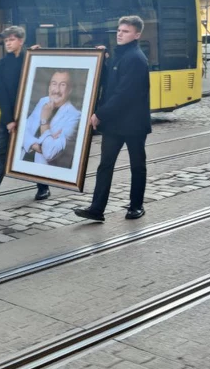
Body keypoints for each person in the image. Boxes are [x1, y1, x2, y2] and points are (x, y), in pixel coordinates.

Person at [75, 16, 151, 222]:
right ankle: (97, 209)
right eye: (119, 30)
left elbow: (124, 93)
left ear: (137, 34)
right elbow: (110, 82)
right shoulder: (119, 55)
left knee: (137, 165)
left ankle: (136, 206)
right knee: (105, 165)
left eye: (125, 31)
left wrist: (100, 114)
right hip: (115, 124)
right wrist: (103, 60)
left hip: (133, 124)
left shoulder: (135, 58)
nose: (120, 33)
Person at [0, 26, 50, 205]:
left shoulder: (30, 59)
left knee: (34, 151)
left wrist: (39, 53)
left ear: (20, 41)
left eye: (12, 40)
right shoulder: (0, 66)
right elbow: (1, 94)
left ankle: (43, 187)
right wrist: (8, 120)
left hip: (30, 116)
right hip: (9, 119)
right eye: (6, 40)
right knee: (0, 154)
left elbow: (45, 75)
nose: (8, 43)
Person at [19, 69, 82, 168]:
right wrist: (37, 146)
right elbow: (22, 130)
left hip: (45, 169)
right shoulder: (43, 101)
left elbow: (49, 152)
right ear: (49, 87)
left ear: (70, 90)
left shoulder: (75, 116)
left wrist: (44, 121)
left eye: (62, 85)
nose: (56, 90)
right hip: (24, 162)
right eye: (54, 84)